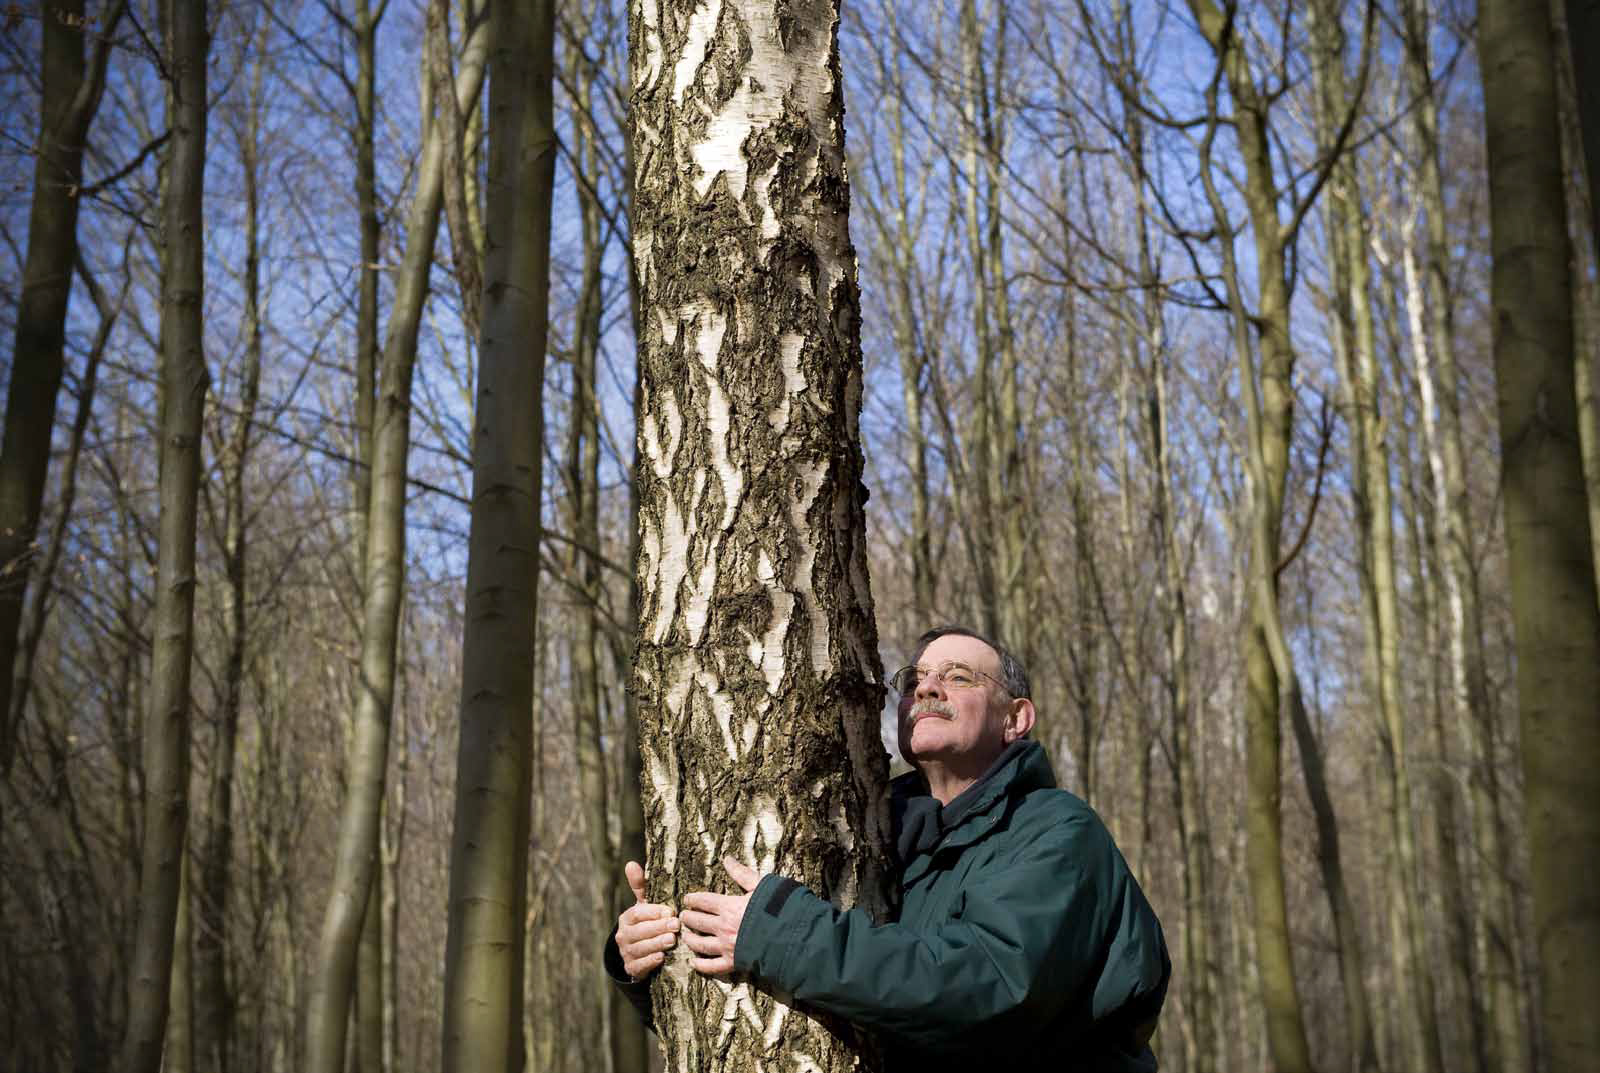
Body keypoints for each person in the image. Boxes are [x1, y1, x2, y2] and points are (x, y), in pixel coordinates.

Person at [605, 625, 1171, 1071]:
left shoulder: (1056, 831)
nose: (926, 688)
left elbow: (991, 990)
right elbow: (771, 1026)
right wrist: (658, 952)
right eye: (915, 679)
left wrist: (783, 937)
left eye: (959, 677)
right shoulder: (873, 837)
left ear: (1015, 719)